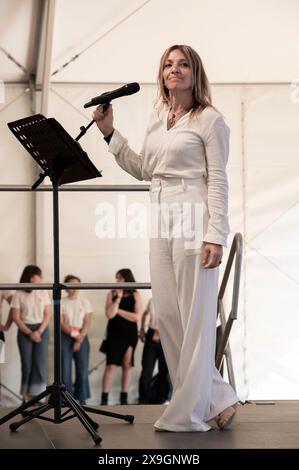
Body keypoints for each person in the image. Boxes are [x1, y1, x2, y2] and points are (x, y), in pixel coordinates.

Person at [93, 44, 238, 431]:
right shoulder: (159, 117)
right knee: (169, 315)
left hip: (194, 212)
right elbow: (144, 169)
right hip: (160, 215)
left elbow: (219, 180)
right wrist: (110, 134)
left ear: (195, 73)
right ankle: (219, 397)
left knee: (194, 316)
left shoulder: (210, 120)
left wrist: (215, 234)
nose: (175, 69)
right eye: (168, 64)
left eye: (183, 64)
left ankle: (188, 413)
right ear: (162, 75)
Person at [101, 269, 142, 405]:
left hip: (130, 334)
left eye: (121, 277)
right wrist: (117, 299)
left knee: (127, 364)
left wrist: (117, 310)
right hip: (114, 333)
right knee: (111, 365)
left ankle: (124, 397)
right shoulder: (111, 294)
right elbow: (110, 315)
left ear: (127, 278)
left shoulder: (136, 294)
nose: (118, 280)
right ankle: (104, 398)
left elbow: (137, 317)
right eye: (117, 277)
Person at [10, 265, 51, 402]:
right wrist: (29, 333)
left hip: (42, 329)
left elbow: (47, 314)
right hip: (25, 329)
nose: (41, 278)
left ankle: (39, 397)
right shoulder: (19, 293)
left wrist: (38, 331)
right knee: (27, 364)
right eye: (38, 275)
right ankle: (25, 397)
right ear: (31, 277)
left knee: (39, 363)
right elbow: (15, 316)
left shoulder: (43, 292)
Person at [61, 275, 92, 405]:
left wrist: (79, 339)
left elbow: (87, 322)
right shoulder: (61, 302)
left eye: (77, 285)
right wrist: (74, 334)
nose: (74, 288)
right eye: (71, 285)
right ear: (66, 287)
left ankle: (82, 397)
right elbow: (61, 323)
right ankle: (67, 398)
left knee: (82, 369)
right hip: (65, 336)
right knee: (65, 369)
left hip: (82, 336)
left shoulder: (85, 302)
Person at [138, 298, 171, 404]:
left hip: (167, 334)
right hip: (152, 334)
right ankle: (143, 400)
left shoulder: (174, 300)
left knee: (164, 371)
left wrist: (160, 331)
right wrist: (142, 329)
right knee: (146, 370)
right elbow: (145, 313)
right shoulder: (153, 300)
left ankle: (161, 399)